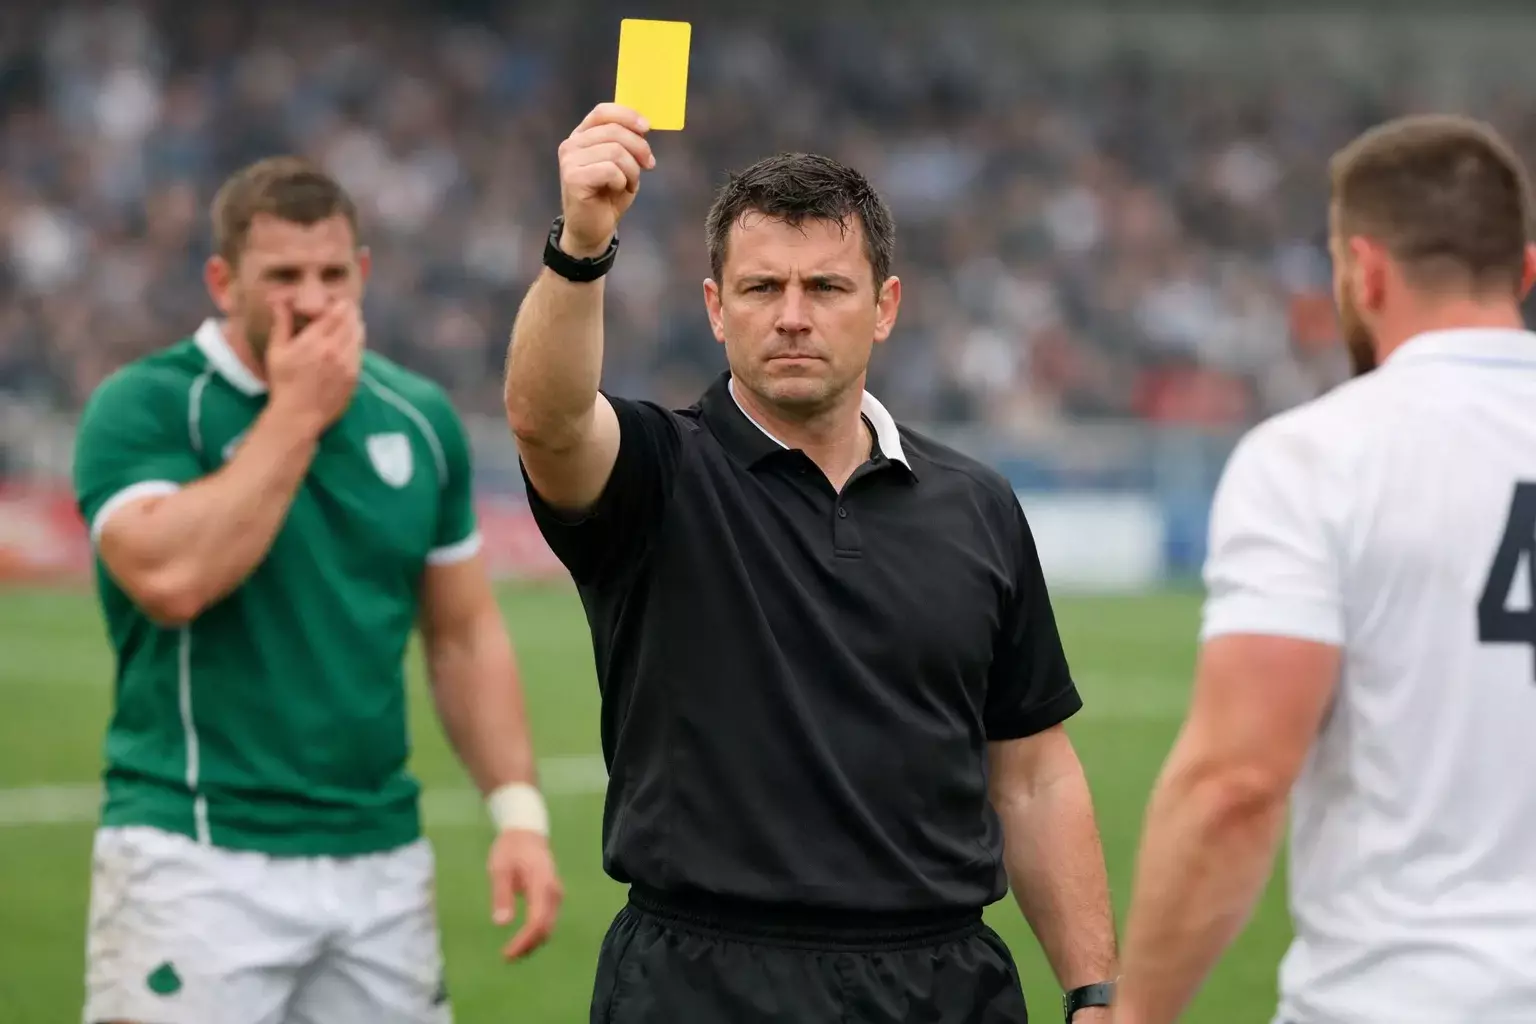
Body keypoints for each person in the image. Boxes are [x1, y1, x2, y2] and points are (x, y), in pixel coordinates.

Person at [503, 102, 1120, 1024]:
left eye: (826, 288)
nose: (792, 318)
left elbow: (1031, 773)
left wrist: (1095, 992)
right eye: (761, 290)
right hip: (702, 982)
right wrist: (582, 243)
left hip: (942, 982)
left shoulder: (976, 504)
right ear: (716, 309)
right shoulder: (656, 474)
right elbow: (547, 418)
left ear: (885, 308)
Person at [72, 155, 563, 1024]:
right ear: (223, 283)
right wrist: (297, 412)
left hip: (381, 862)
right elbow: (172, 580)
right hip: (195, 855)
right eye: (283, 277)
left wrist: (518, 813)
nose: (313, 298)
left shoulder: (417, 418)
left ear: (364, 273)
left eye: (333, 274)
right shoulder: (146, 407)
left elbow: (463, 636)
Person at [1112, 113, 1536, 1024]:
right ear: (1527, 270)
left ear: (1366, 270)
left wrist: (1136, 1013)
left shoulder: (1317, 458)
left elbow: (1237, 783)